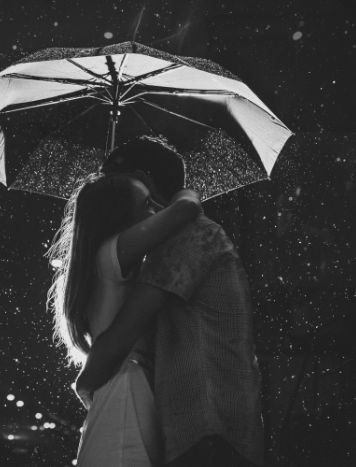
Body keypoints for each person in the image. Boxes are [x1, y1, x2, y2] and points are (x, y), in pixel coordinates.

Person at [75, 137, 265, 467]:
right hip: (208, 425)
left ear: (145, 179)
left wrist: (87, 380)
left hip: (205, 426)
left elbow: (121, 337)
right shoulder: (143, 249)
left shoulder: (186, 237)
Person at [47, 162, 203, 465]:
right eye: (147, 204)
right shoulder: (111, 252)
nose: (156, 210)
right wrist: (183, 192)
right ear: (118, 218)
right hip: (126, 396)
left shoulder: (101, 260)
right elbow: (186, 209)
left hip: (120, 392)